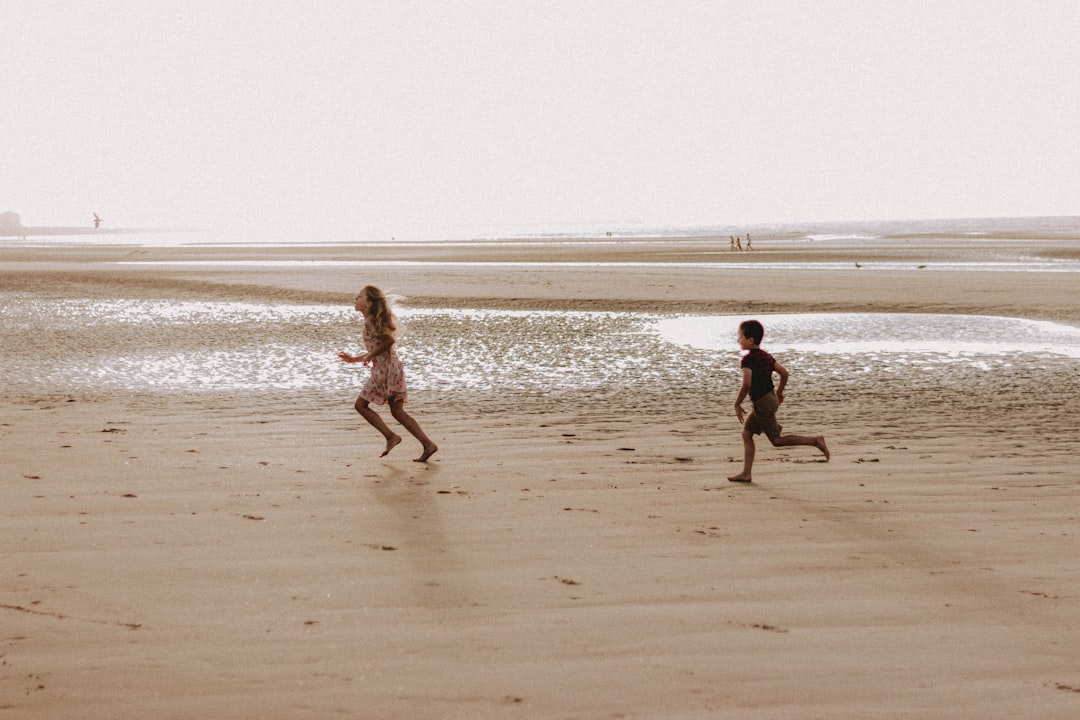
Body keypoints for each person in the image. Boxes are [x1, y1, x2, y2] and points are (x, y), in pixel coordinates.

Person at [338, 285, 438, 462]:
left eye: (359, 297)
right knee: (397, 411)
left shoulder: (369, 322)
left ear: (369, 303)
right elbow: (379, 348)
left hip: (385, 371)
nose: (356, 299)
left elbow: (388, 341)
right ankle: (427, 444)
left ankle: (391, 436)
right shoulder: (371, 321)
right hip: (391, 368)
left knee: (361, 406)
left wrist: (370, 355)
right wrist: (354, 359)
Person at [727, 319, 828, 482]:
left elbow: (746, 384)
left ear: (750, 340)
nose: (738, 340)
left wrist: (737, 403)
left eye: (740, 337)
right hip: (769, 399)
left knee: (776, 440)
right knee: (747, 434)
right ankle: (746, 473)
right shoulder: (766, 356)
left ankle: (815, 441)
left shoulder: (748, 360)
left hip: (763, 404)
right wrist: (779, 393)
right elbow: (784, 373)